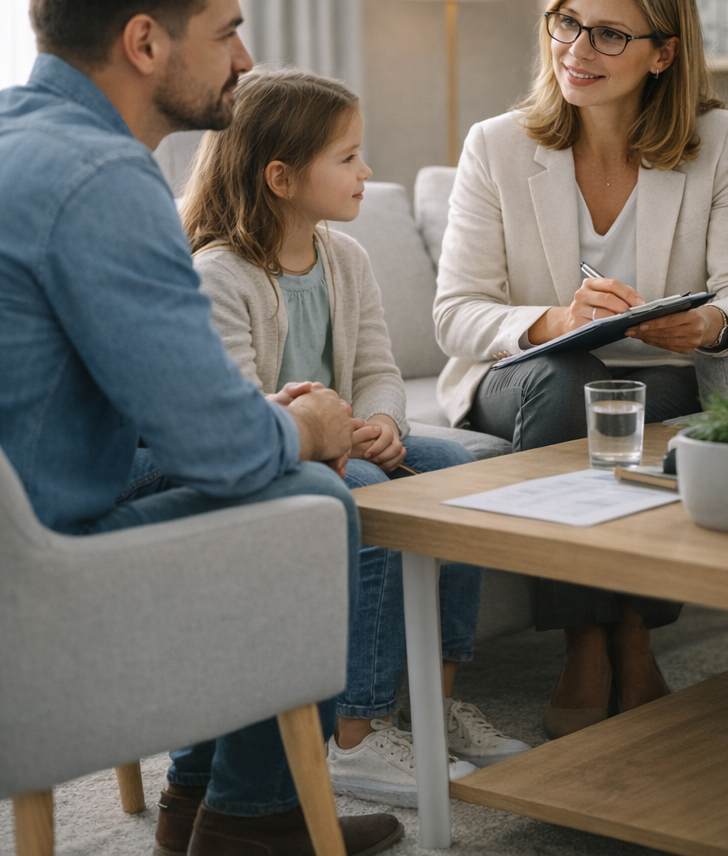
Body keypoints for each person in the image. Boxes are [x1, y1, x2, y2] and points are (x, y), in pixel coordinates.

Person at [0, 0, 401, 855]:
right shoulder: (100, 178)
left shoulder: (19, 138)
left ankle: (199, 792)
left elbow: (155, 402)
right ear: (144, 41)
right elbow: (218, 448)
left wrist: (267, 415)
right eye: (225, 31)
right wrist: (313, 428)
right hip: (38, 568)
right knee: (307, 497)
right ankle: (251, 818)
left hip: (30, 505)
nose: (246, 58)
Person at [432, 0, 728, 737]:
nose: (576, 50)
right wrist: (553, 322)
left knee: (648, 395)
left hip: (667, 372)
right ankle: (589, 639)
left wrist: (711, 323)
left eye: (609, 34)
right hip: (528, 377)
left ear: (663, 54)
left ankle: (633, 630)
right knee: (572, 384)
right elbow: (455, 311)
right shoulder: (498, 145)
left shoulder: (725, 145)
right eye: (565, 23)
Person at [179, 67, 531, 806]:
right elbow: (241, 405)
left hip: (342, 438)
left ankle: (428, 709)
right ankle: (357, 736)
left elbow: (378, 367)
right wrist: (336, 443)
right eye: (347, 157)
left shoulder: (347, 257)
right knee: (369, 496)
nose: (366, 171)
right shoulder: (221, 275)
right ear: (281, 176)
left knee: (458, 480)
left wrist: (380, 423)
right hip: (284, 456)